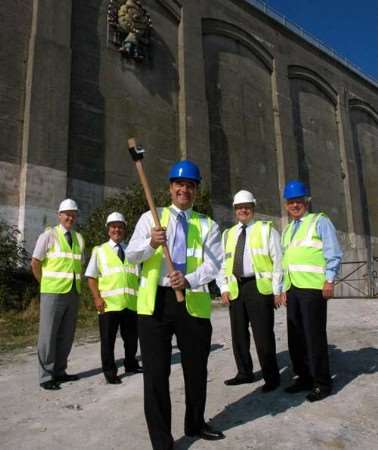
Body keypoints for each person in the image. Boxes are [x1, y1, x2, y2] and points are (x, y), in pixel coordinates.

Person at [126, 160, 225, 450]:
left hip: (191, 301)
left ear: (196, 191)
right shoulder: (150, 219)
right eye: (179, 184)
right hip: (156, 304)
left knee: (196, 369)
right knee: (156, 375)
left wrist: (190, 279)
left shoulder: (208, 225)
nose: (184, 190)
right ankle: (162, 441)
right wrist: (151, 245)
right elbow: (131, 256)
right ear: (170, 188)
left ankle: (195, 422)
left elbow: (215, 265)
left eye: (190, 186)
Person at [281, 180, 342, 402]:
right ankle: (304, 377)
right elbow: (286, 261)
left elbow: (333, 252)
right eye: (290, 202)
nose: (294, 205)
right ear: (286, 205)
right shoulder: (288, 230)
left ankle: (322, 383)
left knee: (314, 336)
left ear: (306, 201)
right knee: (295, 337)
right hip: (294, 288)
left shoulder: (320, 221)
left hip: (313, 289)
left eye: (298, 201)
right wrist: (283, 288)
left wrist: (329, 280)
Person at [217, 190, 282, 392]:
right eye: (239, 207)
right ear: (235, 210)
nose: (243, 210)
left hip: (258, 287)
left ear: (253, 208)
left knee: (263, 334)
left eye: (246, 207)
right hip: (236, 287)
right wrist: (224, 287)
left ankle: (272, 377)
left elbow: (278, 261)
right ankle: (244, 373)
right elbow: (222, 263)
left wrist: (277, 290)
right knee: (238, 335)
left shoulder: (266, 230)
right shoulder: (228, 234)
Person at [31, 199, 85, 390]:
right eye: (66, 213)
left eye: (73, 214)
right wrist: (44, 284)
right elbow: (35, 262)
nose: (70, 217)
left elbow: (78, 264)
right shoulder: (48, 235)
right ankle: (46, 376)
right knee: (48, 335)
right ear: (59, 215)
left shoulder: (79, 238)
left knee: (66, 334)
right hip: (52, 292)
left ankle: (60, 371)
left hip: (73, 292)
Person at [86, 212, 142, 384]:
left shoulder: (132, 252)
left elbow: (139, 277)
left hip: (131, 304)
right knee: (107, 341)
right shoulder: (99, 251)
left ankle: (131, 364)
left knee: (131, 339)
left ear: (124, 230)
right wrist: (97, 298)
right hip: (108, 305)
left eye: (120, 227)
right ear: (108, 230)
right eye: (113, 226)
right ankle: (110, 372)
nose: (116, 229)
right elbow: (91, 277)